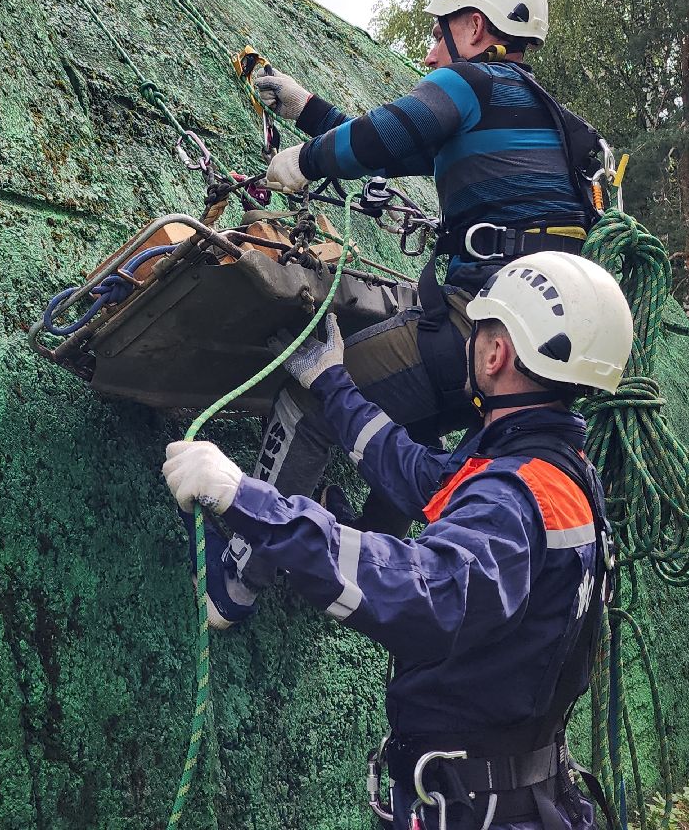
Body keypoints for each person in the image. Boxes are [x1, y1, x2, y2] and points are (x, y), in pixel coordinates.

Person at [160, 252, 632, 829]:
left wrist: (245, 498)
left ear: (495, 353)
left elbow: (424, 592)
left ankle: (232, 583)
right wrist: (332, 382)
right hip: (515, 793)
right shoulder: (551, 470)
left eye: (479, 326)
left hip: (478, 811)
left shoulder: (511, 497)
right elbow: (422, 477)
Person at [206, 0, 602, 627]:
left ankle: (239, 579)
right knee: (410, 418)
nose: (429, 53)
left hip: (478, 329)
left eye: (438, 34)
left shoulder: (470, 84)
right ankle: (366, 540)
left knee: (310, 393)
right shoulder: (553, 126)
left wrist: (303, 162)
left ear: (473, 27)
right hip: (526, 366)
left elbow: (388, 132)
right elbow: (394, 144)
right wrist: (302, 106)